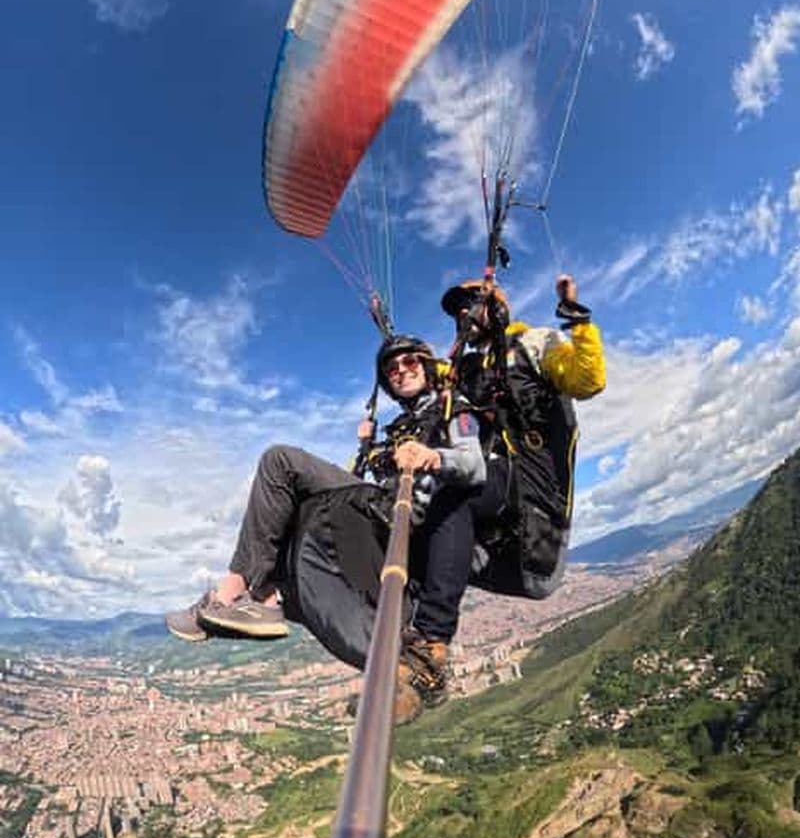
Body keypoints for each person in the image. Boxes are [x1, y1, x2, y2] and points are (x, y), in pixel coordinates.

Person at [166, 334, 484, 724]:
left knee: (280, 461)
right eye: (391, 369)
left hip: (403, 516)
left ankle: (238, 594)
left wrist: (432, 456)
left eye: (409, 363)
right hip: (375, 508)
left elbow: (475, 465)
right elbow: (355, 483)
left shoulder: (453, 409)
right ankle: (258, 597)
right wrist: (367, 449)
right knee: (291, 508)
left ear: (428, 365)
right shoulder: (399, 427)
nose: (400, 371)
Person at [440, 274, 606, 600]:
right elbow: (433, 378)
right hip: (499, 497)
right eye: (458, 312)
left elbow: (588, 381)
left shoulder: (533, 342)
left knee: (449, 496)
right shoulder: (468, 371)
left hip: (537, 492)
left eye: (470, 305)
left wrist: (577, 318)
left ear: (497, 308)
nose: (463, 315)